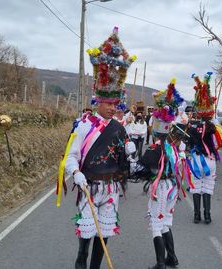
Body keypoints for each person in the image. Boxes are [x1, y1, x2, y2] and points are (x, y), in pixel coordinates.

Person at [67, 27, 137, 269]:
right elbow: (72, 156)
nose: (111, 107)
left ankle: (95, 265)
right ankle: (80, 260)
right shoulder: (84, 125)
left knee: (104, 231)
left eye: (114, 103)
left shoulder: (119, 127)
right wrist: (75, 172)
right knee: (87, 231)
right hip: (89, 184)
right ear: (98, 100)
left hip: (111, 186)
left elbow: (125, 158)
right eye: (107, 103)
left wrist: (133, 158)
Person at [132, 78, 189, 269]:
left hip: (161, 188)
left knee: (156, 224)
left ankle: (160, 263)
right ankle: (172, 258)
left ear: (155, 131)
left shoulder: (154, 149)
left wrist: (130, 161)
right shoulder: (172, 148)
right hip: (172, 187)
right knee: (165, 223)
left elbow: (141, 170)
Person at [187, 72, 222, 224]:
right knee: (208, 187)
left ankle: (196, 215)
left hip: (195, 160)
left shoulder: (191, 126)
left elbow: (186, 144)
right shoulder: (214, 127)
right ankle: (207, 215)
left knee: (196, 187)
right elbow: (219, 143)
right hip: (209, 161)